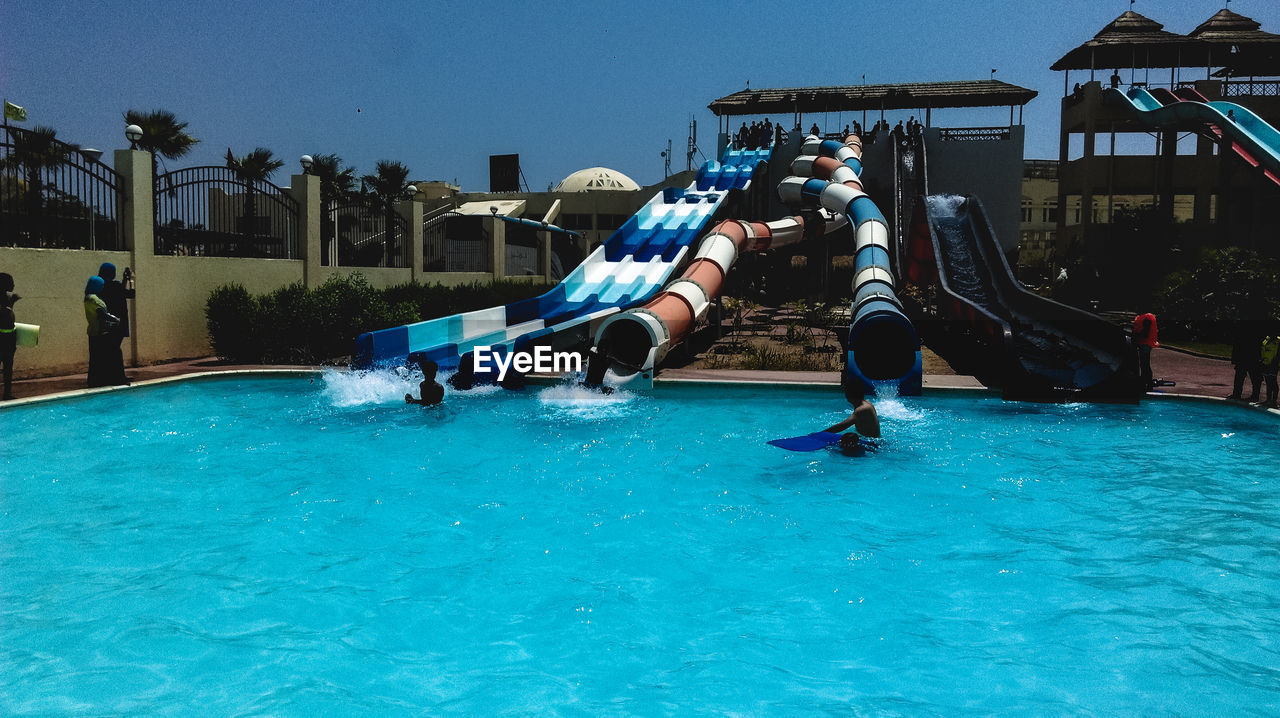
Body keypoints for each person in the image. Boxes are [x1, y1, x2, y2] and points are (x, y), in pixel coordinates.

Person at [97, 262, 133, 386]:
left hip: (107, 323)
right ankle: (119, 378)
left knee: (110, 349)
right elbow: (130, 294)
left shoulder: (100, 287)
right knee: (115, 350)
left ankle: (111, 377)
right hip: (119, 322)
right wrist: (130, 280)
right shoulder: (116, 286)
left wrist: (124, 280)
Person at [84, 276, 120, 388]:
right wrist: (115, 319)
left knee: (95, 358)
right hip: (99, 332)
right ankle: (99, 381)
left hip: (94, 332)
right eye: (101, 285)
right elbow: (101, 313)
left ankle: (95, 380)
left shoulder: (88, 297)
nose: (102, 287)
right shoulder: (93, 299)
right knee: (99, 358)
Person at [1228, 320, 1264, 402]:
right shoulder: (1243, 326)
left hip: (1251, 355)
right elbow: (1237, 342)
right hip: (1245, 355)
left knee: (1253, 377)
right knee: (1241, 376)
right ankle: (1238, 394)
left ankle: (1253, 395)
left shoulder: (1252, 326)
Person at [0, 272, 19, 400]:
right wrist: (11, 304)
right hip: (3, 338)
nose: (13, 285)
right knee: (7, 367)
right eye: (11, 282)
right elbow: (5, 317)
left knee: (8, 367)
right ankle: (7, 394)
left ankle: (7, 393)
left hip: (8, 338)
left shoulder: (7, 298)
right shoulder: (5, 300)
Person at [1132, 312, 1158, 390]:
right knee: (1144, 364)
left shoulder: (1147, 317)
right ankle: (1146, 384)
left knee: (1144, 365)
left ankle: (1146, 384)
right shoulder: (1140, 317)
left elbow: (1145, 333)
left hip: (1146, 344)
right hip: (1143, 343)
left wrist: (1135, 336)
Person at [1261, 333, 1279, 409]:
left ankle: (1274, 401)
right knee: (1268, 383)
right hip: (1265, 364)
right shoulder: (1266, 339)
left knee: (1274, 383)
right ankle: (1268, 400)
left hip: (1273, 365)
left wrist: (1275, 362)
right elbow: (1262, 350)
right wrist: (1262, 361)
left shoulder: (1278, 341)